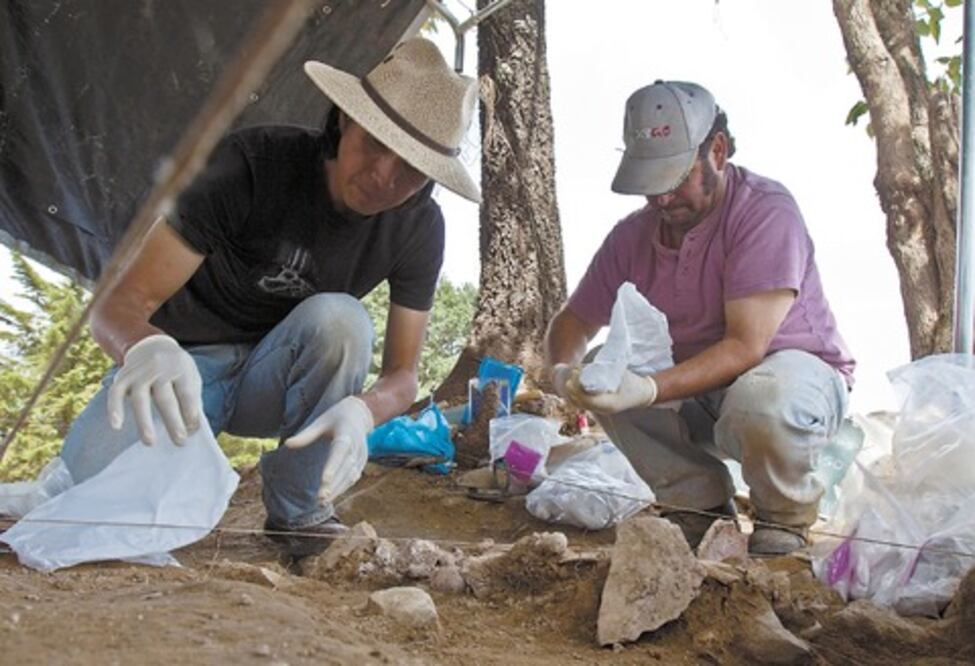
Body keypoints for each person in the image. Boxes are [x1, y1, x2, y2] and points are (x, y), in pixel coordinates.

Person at [57, 37, 479, 557]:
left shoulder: (418, 228)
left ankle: (299, 513)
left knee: (342, 321)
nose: (383, 177)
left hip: (277, 383)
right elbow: (116, 306)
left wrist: (364, 411)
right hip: (181, 375)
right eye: (375, 143)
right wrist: (148, 349)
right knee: (78, 505)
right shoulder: (252, 163)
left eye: (412, 169)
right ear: (344, 120)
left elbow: (402, 375)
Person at [544, 80, 855, 556]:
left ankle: (783, 518)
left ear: (718, 150)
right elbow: (574, 320)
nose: (662, 200)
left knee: (762, 398)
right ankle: (698, 505)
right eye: (651, 184)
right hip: (702, 398)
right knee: (604, 363)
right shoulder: (632, 237)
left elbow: (746, 347)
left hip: (791, 385)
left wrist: (647, 389)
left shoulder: (766, 212)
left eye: (675, 179)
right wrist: (565, 371)